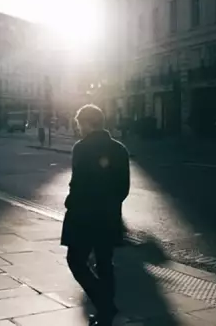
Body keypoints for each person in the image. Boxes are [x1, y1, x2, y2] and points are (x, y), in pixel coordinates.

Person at [62, 104, 130, 325]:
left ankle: (104, 302)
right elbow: (124, 188)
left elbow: (78, 183)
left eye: (80, 124)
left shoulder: (81, 148)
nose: (79, 129)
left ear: (89, 123)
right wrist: (109, 204)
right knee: (104, 262)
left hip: (83, 217)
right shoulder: (120, 149)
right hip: (108, 216)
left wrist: (71, 202)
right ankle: (107, 308)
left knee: (76, 261)